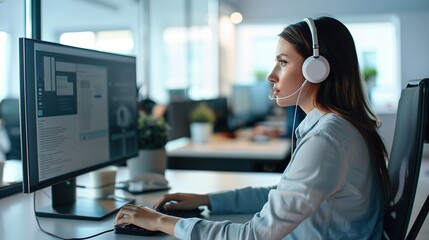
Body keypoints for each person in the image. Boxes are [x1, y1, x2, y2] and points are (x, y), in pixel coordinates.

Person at [115, 16, 390, 239]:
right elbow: (282, 195)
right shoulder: (337, 127)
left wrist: (162, 221)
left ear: (315, 69)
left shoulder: (327, 139)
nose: (271, 75)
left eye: (283, 62)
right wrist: (208, 200)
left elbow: (253, 235)